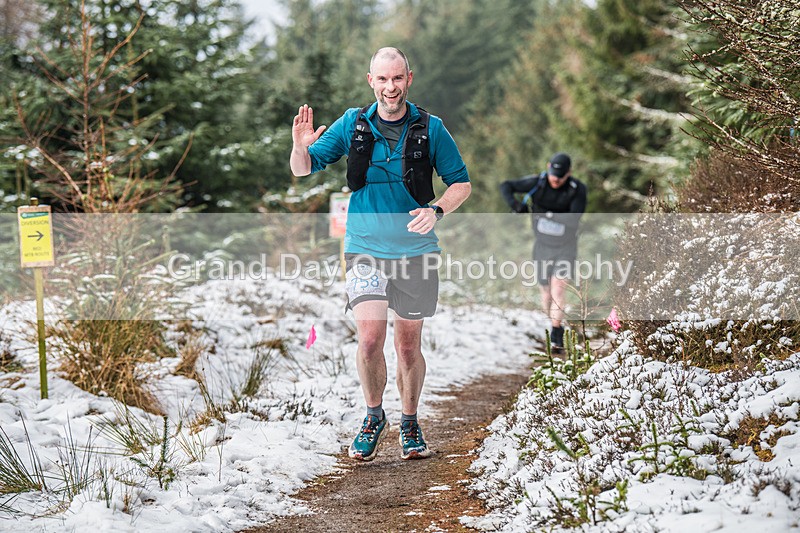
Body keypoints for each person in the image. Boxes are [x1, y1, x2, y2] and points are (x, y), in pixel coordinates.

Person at [290, 47, 471, 461]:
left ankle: (409, 420)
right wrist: (301, 146)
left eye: (397, 78)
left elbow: (461, 183)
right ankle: (374, 416)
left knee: (408, 347)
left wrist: (437, 209)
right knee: (370, 339)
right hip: (364, 249)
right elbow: (302, 169)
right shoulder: (352, 124)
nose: (391, 87)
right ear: (370, 80)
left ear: (409, 78)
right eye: (382, 79)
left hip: (416, 251)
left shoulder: (432, 128)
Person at [499, 153, 587, 351]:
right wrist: (516, 205)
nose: (555, 179)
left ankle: (557, 333)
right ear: (548, 168)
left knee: (558, 288)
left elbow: (573, 219)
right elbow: (506, 186)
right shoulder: (537, 183)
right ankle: (552, 322)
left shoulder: (577, 190)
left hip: (566, 247)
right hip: (542, 247)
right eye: (553, 174)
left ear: (569, 174)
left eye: (560, 176)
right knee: (546, 294)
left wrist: (545, 214)